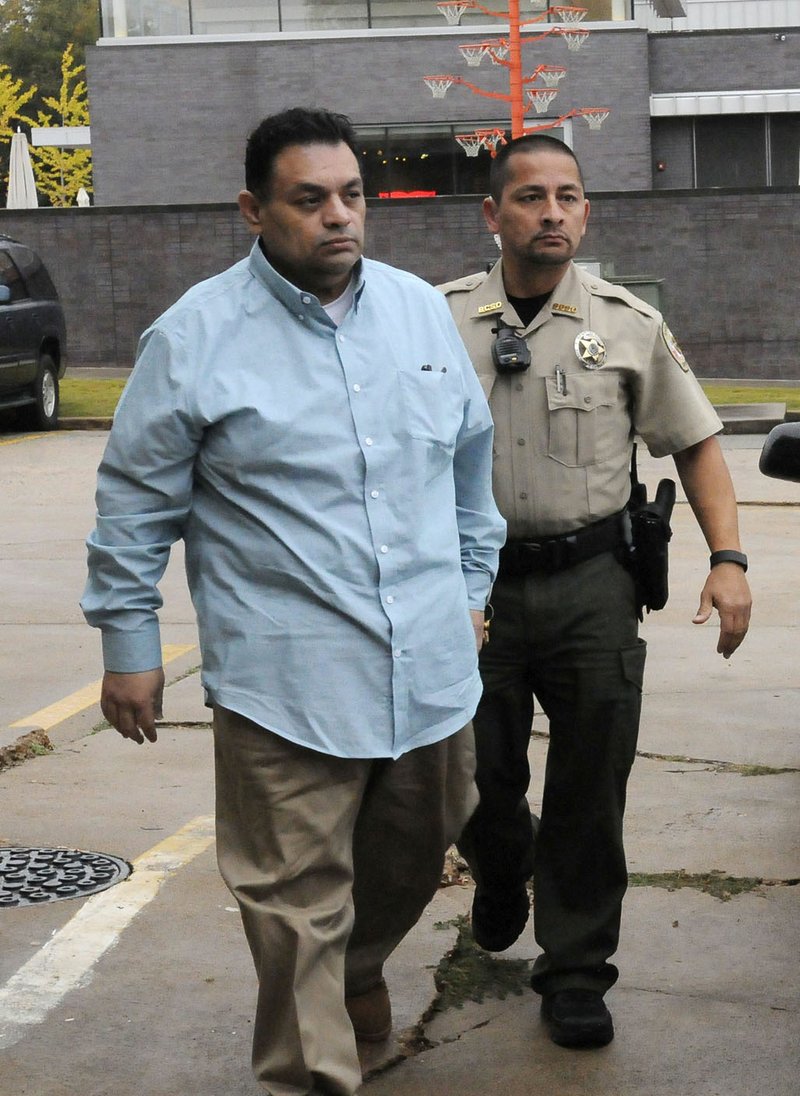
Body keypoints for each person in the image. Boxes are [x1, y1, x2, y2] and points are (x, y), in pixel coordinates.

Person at [81, 107, 505, 1096]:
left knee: (407, 863)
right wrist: (128, 644)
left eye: (350, 195)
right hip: (284, 687)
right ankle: (315, 1063)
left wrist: (472, 586)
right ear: (253, 209)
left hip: (428, 677)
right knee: (293, 909)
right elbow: (135, 507)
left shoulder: (414, 312)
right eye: (308, 200)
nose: (338, 217)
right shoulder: (193, 337)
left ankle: (354, 971)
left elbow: (469, 468)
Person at [439, 134, 752, 1050]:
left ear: (587, 210)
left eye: (568, 196)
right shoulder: (434, 322)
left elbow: (695, 442)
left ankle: (574, 969)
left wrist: (728, 559)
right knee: (471, 778)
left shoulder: (625, 324)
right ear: (493, 214)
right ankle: (501, 868)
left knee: (590, 789)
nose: (552, 213)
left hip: (592, 589)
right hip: (471, 595)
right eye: (530, 198)